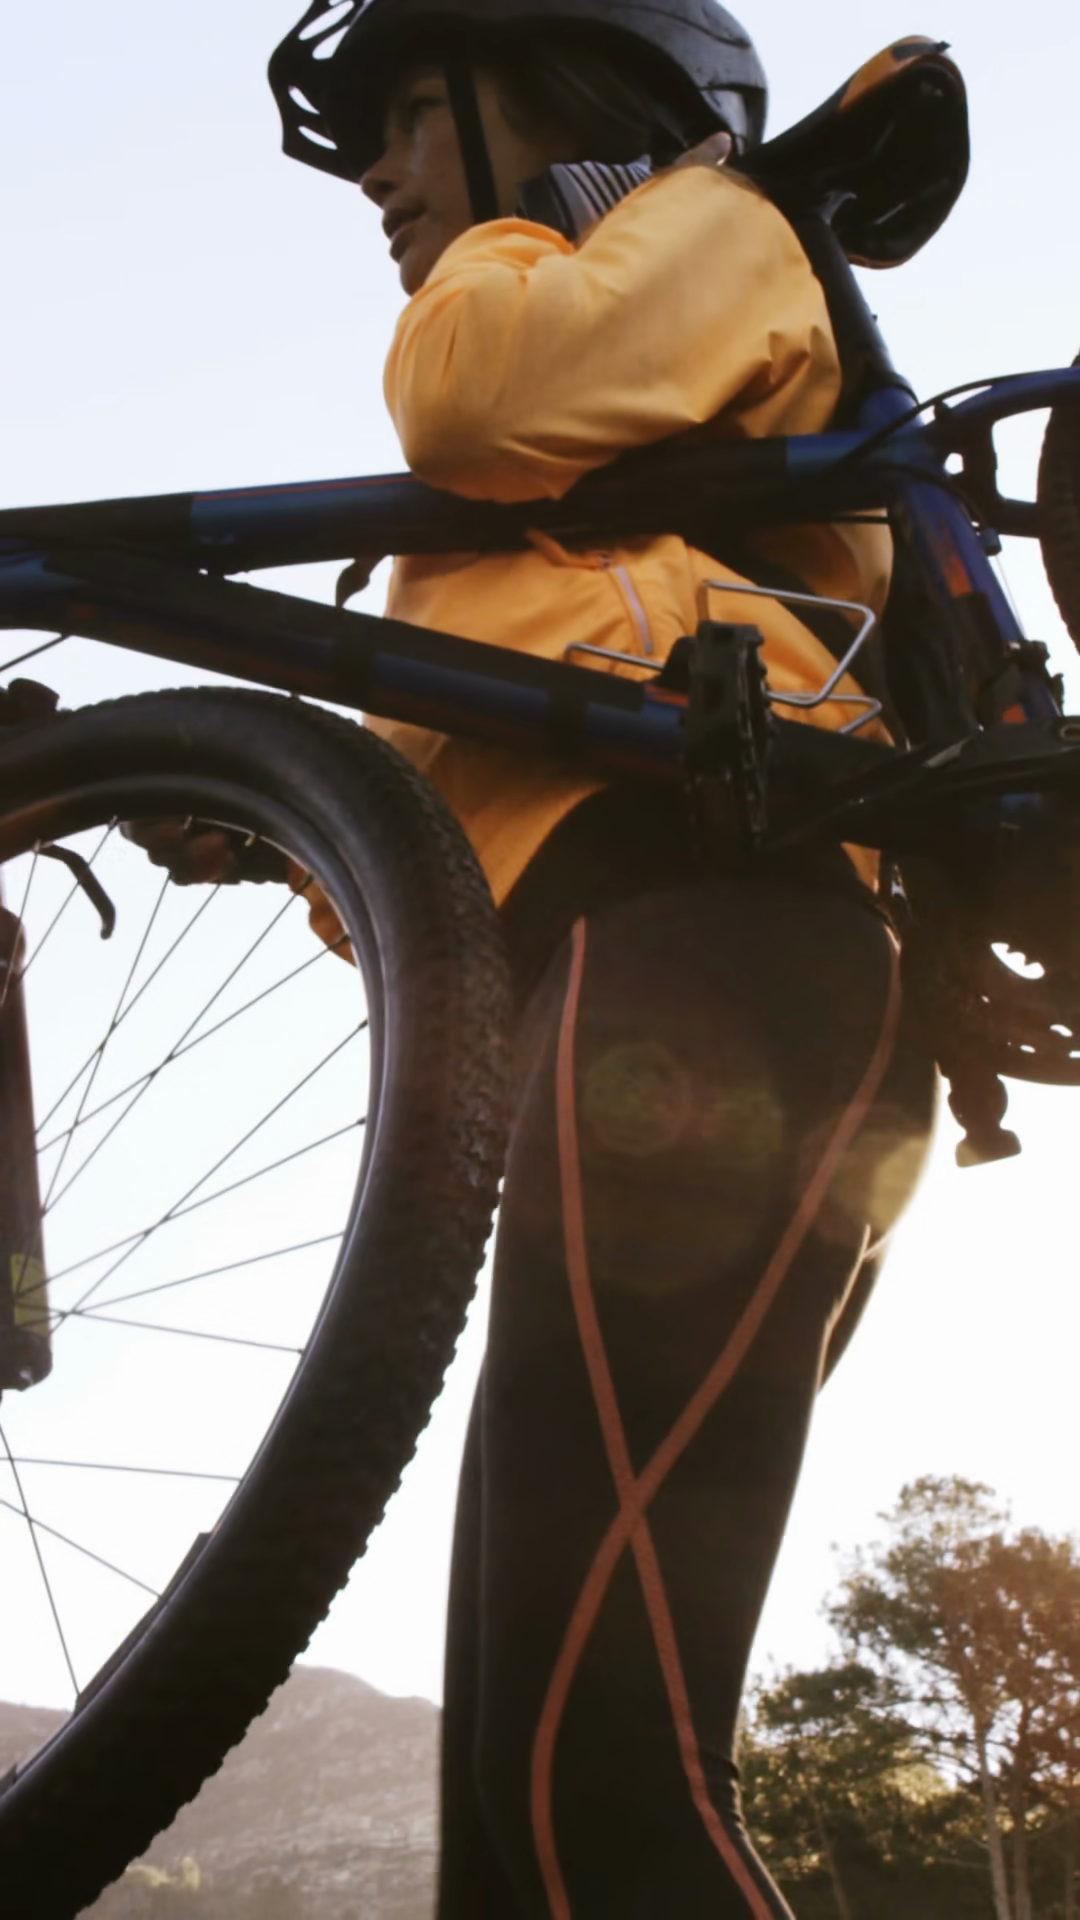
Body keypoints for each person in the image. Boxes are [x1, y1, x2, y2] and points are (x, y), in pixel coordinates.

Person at [161, 6, 938, 1913]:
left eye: (410, 116)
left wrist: (533, 226)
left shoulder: (715, 227)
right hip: (646, 984)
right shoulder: (593, 487)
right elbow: (497, 767)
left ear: (557, 96)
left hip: (717, 955)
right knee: (521, 1838)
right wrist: (266, 824)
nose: (374, 174)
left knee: (597, 1781)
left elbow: (474, 395)